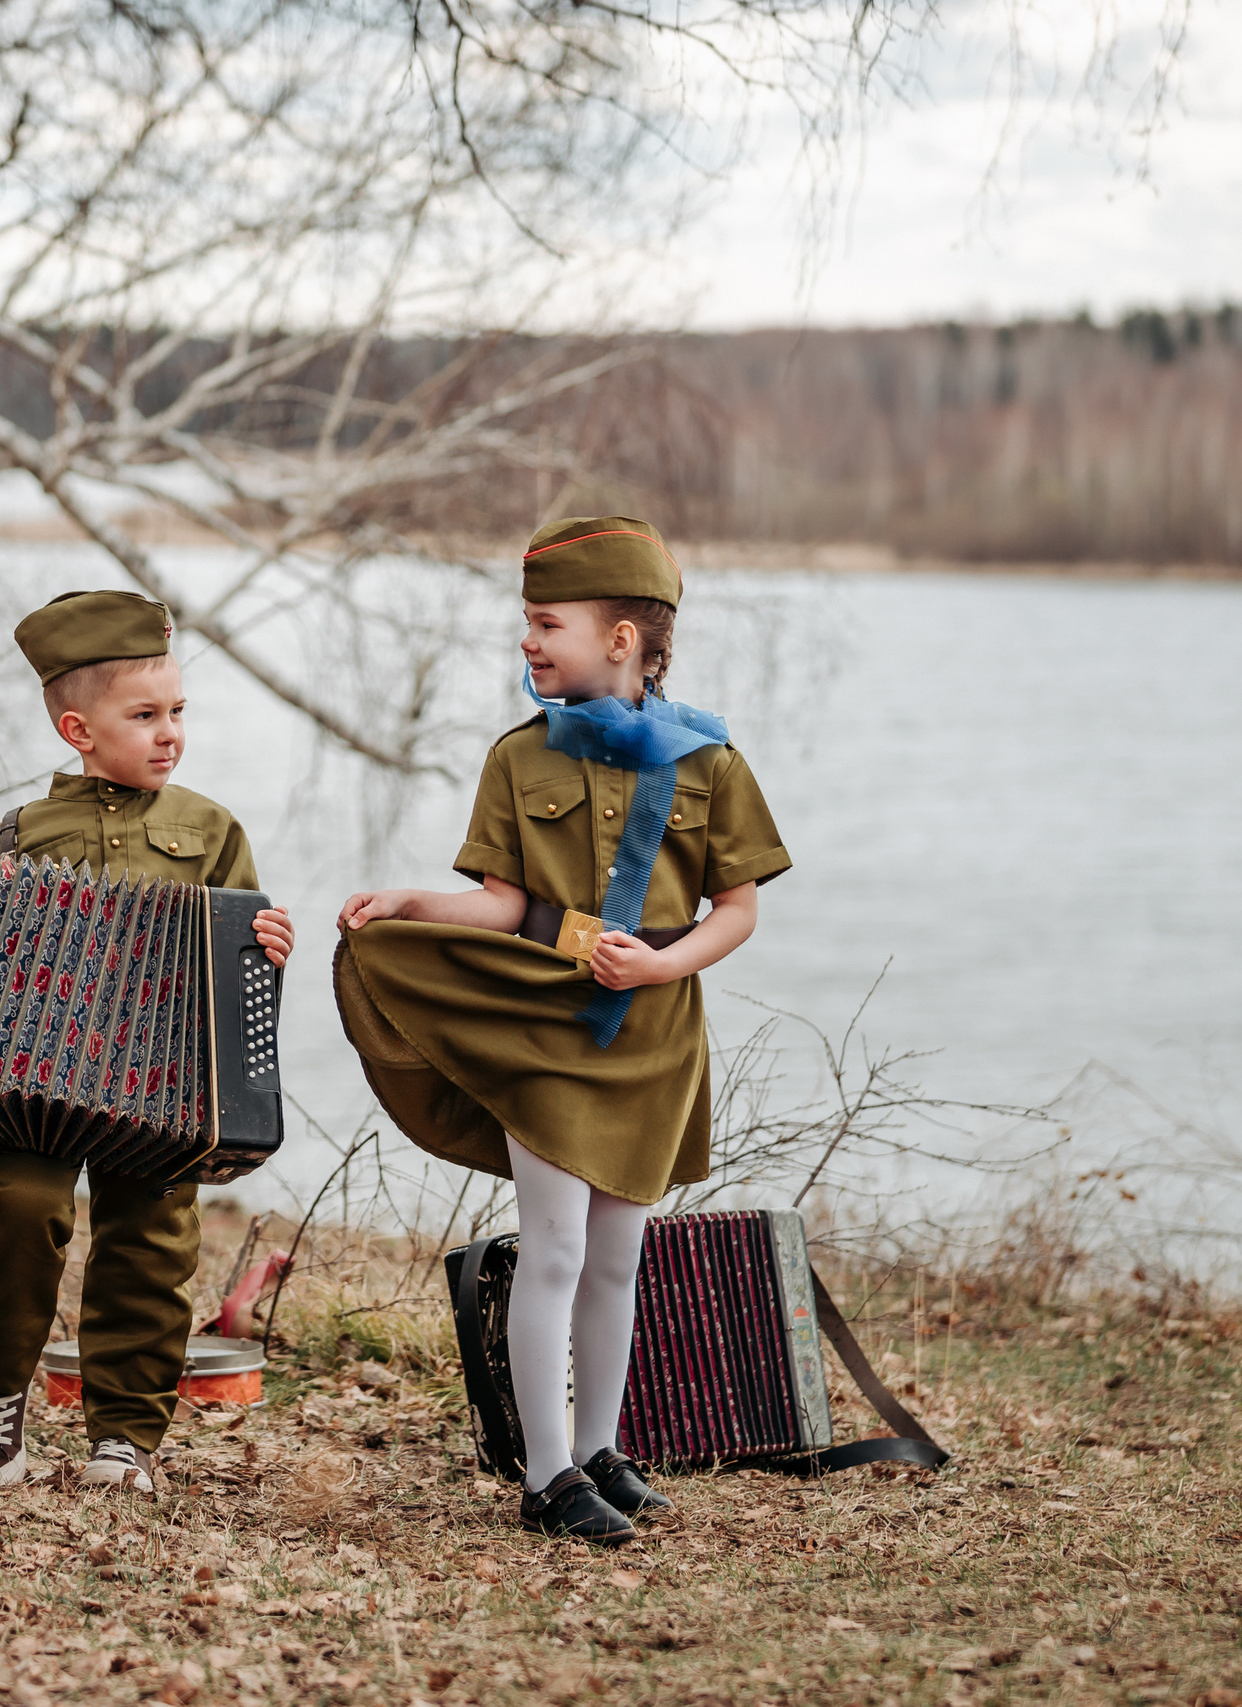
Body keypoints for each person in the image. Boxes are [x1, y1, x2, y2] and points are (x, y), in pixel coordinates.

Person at [333, 517, 788, 1545]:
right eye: (527, 622)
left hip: (654, 1030)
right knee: (552, 1248)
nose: (527, 640)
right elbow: (501, 905)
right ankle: (546, 1476)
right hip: (542, 1023)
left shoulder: (711, 764)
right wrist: (410, 902)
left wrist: (663, 964)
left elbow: (737, 910)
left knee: (618, 1255)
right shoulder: (517, 756)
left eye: (548, 623)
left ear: (621, 639)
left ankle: (599, 1451)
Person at [0, 590, 293, 1494]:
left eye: (178, 711)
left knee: (152, 1237)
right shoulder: (21, 834)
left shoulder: (212, 831)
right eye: (145, 716)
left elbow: (242, 953)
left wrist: (266, 948)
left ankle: (125, 1437)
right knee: (18, 1209)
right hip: (31, 1086)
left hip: (164, 1085)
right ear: (78, 730)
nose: (170, 733)